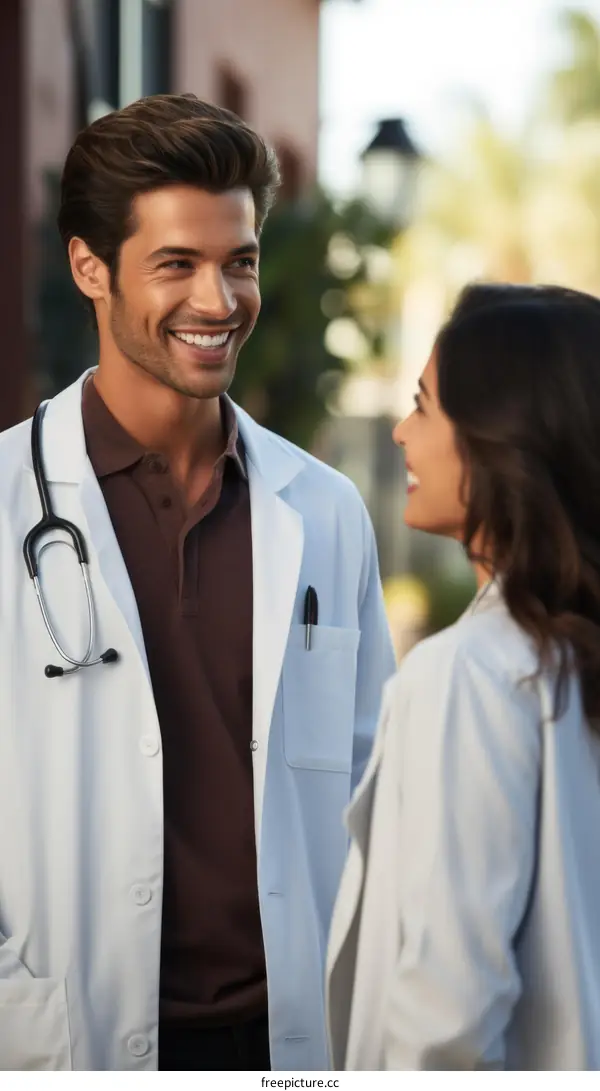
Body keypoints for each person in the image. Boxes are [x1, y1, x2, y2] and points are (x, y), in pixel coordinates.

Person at [0, 94, 395, 1072]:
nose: (219, 301)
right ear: (90, 266)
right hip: (65, 1033)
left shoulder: (327, 510)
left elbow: (371, 791)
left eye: (241, 261)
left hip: (292, 1036)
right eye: (177, 264)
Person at [326, 282, 600, 1071]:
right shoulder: (563, 660)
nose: (402, 432)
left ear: (498, 439)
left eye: (423, 405)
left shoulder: (470, 673)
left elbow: (447, 1010)